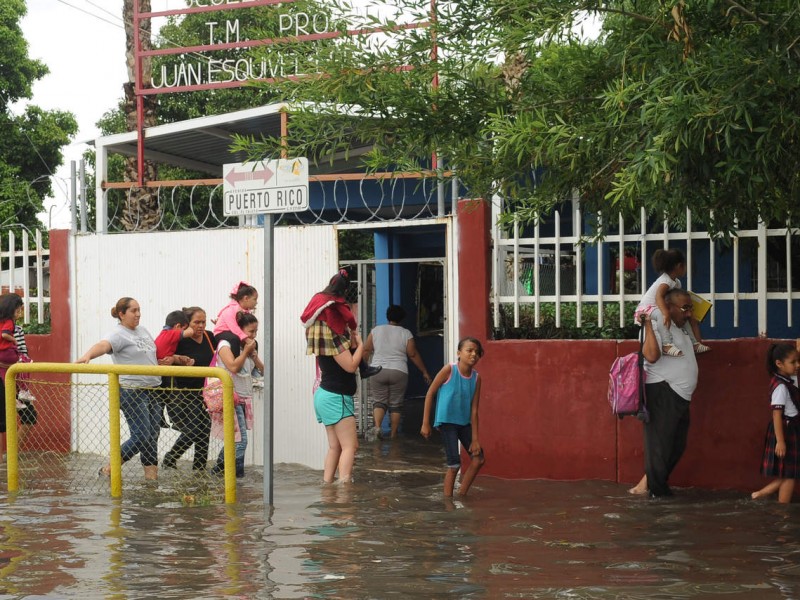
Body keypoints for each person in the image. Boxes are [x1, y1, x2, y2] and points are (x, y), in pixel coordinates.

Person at [76, 297, 178, 481]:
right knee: (141, 436)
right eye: (133, 311)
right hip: (133, 390)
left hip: (153, 389)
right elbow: (104, 345)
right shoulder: (118, 334)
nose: (138, 314)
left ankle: (151, 480)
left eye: (139, 310)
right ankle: (109, 469)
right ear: (122, 314)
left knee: (152, 435)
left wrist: (173, 359)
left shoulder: (143, 330)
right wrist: (88, 354)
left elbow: (152, 353)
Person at [639, 288, 700, 498]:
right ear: (669, 307)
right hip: (663, 391)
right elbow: (651, 355)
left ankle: (655, 487)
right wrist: (647, 324)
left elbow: (698, 346)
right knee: (660, 448)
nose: (689, 313)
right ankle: (658, 495)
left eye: (691, 308)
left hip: (680, 396)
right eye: (685, 308)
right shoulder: (656, 324)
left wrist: (691, 320)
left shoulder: (679, 327)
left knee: (676, 446)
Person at [421, 337, 486, 497]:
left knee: (478, 459)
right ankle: (448, 502)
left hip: (464, 423)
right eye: (469, 350)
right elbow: (430, 393)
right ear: (459, 353)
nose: (473, 355)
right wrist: (425, 423)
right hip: (447, 422)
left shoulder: (477, 378)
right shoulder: (449, 369)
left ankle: (461, 494)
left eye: (477, 352)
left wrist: (476, 439)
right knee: (454, 464)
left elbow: (475, 410)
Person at [363, 304, 432, 439]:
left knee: (379, 401)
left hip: (377, 371)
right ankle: (394, 436)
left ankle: (377, 429)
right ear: (402, 319)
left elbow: (366, 350)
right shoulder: (406, 333)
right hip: (399, 371)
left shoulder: (376, 330)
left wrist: (363, 367)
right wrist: (424, 371)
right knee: (396, 404)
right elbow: (412, 354)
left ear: (387, 316)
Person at [161, 307, 217, 472]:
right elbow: (166, 356)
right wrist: (175, 359)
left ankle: (199, 470)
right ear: (187, 324)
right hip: (184, 392)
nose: (200, 326)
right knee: (193, 429)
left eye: (203, 322)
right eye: (196, 322)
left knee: (204, 431)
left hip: (205, 392)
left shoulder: (209, 336)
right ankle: (171, 457)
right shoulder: (181, 340)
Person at [210, 311, 263, 478]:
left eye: (256, 331)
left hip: (243, 398)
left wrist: (254, 356)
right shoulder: (225, 344)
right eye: (250, 331)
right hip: (230, 398)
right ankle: (229, 475)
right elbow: (233, 367)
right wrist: (246, 352)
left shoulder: (248, 347)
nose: (254, 335)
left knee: (235, 441)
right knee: (240, 442)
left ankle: (224, 474)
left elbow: (261, 372)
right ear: (239, 330)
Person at [300, 270, 381, 378]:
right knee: (352, 346)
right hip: (326, 331)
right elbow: (350, 318)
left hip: (313, 332)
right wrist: (353, 330)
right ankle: (363, 369)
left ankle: (364, 369)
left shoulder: (318, 296)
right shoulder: (336, 300)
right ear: (344, 289)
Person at [312, 325, 364, 484]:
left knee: (335, 447)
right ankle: (344, 491)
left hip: (325, 395)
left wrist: (354, 345)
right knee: (350, 446)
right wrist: (362, 345)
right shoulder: (335, 342)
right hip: (336, 398)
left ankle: (327, 487)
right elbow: (351, 366)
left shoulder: (323, 340)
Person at [634, 248, 710, 357]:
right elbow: (658, 296)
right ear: (679, 266)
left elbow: (675, 297)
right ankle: (666, 344)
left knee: (685, 318)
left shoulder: (676, 282)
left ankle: (694, 343)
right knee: (661, 315)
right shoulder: (666, 280)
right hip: (647, 309)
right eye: (685, 265)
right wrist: (666, 313)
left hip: (656, 306)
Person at [751, 343, 800, 503]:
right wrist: (780, 441)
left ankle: (760, 495)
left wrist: (797, 349)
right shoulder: (780, 387)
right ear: (779, 364)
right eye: (793, 362)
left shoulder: (788, 378)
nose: (797, 365)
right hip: (785, 431)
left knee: (791, 472)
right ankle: (781, 509)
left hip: (792, 429)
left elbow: (794, 368)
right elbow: (777, 414)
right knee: (790, 474)